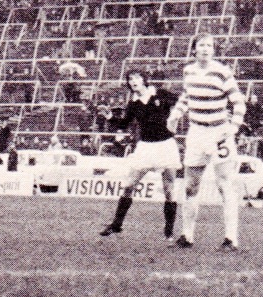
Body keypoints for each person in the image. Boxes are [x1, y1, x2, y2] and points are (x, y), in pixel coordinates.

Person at [166, 33, 247, 250]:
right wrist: (176, 114)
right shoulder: (189, 71)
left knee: (225, 185)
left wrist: (233, 127)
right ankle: (187, 236)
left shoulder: (222, 72)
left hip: (219, 133)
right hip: (196, 133)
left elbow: (238, 102)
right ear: (194, 49)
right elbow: (186, 97)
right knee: (191, 186)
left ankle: (231, 238)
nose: (205, 49)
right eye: (201, 45)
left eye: (209, 45)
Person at [99, 70, 180, 239]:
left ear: (144, 80)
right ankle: (117, 224)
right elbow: (124, 123)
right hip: (145, 147)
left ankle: (169, 231)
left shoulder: (160, 93)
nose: (133, 81)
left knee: (169, 189)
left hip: (166, 145)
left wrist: (175, 118)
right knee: (129, 185)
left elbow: (180, 102)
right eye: (130, 79)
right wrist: (109, 117)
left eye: (136, 78)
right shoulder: (133, 104)